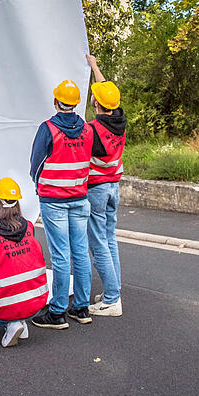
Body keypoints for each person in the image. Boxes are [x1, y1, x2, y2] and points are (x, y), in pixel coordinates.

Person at [30, 79, 94, 329]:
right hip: (79, 198)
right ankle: (81, 307)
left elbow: (35, 164)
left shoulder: (48, 129)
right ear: (76, 103)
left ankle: (57, 312)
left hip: (54, 201)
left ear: (56, 101)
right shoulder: (88, 130)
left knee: (60, 256)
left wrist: (40, 187)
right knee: (80, 253)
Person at [0, 177, 49, 348]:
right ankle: (21, 321)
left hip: (7, 304)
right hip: (36, 301)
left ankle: (11, 324)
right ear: (17, 203)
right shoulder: (30, 228)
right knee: (18, 304)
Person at [85, 53, 126, 316]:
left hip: (97, 190)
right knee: (110, 239)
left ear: (96, 104)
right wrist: (94, 66)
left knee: (98, 243)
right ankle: (114, 291)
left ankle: (111, 300)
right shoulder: (119, 120)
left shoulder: (91, 131)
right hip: (114, 188)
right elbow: (108, 92)